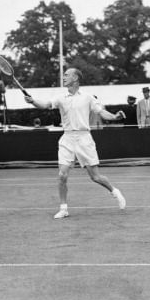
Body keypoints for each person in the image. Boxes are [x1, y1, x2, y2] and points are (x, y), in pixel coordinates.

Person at [24, 67, 127, 219]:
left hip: (84, 138)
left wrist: (115, 117)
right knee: (62, 175)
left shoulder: (88, 97)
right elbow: (45, 105)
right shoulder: (60, 97)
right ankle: (63, 208)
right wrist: (32, 101)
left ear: (76, 78)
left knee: (95, 177)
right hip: (67, 139)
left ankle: (114, 191)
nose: (63, 77)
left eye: (66, 75)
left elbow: (101, 112)